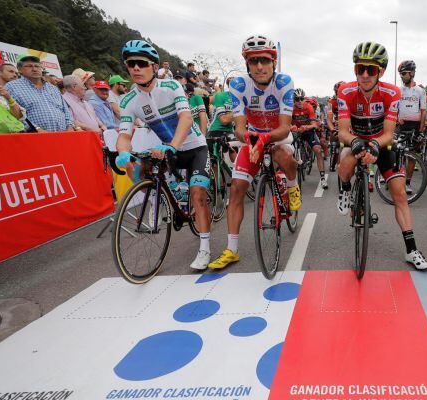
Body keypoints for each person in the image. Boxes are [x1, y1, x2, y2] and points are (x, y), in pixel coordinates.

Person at [114, 40, 212, 271]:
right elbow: (125, 135)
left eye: (141, 63)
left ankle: (205, 247)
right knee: (134, 166)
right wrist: (122, 153)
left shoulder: (171, 86)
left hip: (194, 146)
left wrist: (173, 146)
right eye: (130, 64)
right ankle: (157, 201)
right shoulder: (128, 100)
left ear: (154, 66)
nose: (135, 68)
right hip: (170, 148)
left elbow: (186, 118)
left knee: (197, 194)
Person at [336, 41, 427, 270]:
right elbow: (342, 130)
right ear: (355, 70)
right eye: (360, 69)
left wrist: (374, 147)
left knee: (399, 193)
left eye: (371, 69)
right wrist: (357, 142)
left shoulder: (392, 92)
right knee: (345, 162)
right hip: (356, 139)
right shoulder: (345, 91)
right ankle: (345, 190)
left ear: (381, 71)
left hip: (382, 142)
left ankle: (412, 250)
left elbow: (389, 133)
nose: (365, 74)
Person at [208, 35, 301, 270]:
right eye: (253, 61)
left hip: (277, 135)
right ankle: (232, 249)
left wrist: (265, 139)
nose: (260, 66)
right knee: (237, 188)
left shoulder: (284, 82)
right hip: (252, 137)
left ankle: (292, 187)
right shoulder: (238, 85)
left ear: (273, 62)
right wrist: (250, 138)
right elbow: (239, 127)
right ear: (247, 64)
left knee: (284, 157)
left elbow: (284, 126)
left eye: (265, 60)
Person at [6, 55, 74, 132]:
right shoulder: (12, 86)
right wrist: (36, 129)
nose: (34, 69)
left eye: (37, 66)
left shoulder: (53, 88)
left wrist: (70, 126)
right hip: (34, 137)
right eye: (29, 66)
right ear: (19, 70)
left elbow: (66, 111)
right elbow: (14, 113)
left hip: (63, 136)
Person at [396, 60, 427, 194]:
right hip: (401, 126)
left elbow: (423, 111)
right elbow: (394, 108)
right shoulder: (398, 90)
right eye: (400, 74)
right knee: (397, 153)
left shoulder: (420, 91)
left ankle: (407, 182)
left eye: (404, 74)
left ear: (412, 73)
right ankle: (395, 179)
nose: (402, 76)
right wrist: (397, 119)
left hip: (415, 126)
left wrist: (421, 129)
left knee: (412, 156)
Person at [291, 88, 327, 188]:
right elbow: (285, 123)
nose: (299, 101)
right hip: (295, 131)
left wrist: (306, 127)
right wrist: (291, 127)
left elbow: (314, 125)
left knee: (318, 150)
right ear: (293, 100)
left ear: (304, 99)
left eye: (301, 99)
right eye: (296, 99)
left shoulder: (308, 107)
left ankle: (323, 178)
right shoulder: (290, 108)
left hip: (307, 131)